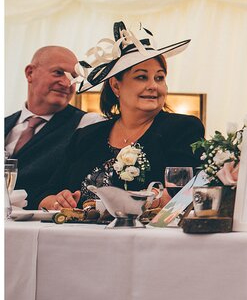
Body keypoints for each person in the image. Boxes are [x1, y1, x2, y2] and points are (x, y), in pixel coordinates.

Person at [34, 22, 204, 211]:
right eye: (142, 77)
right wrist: (59, 200)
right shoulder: (85, 136)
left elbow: (182, 193)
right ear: (116, 86)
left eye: (159, 77)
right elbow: (45, 193)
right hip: (79, 236)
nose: (153, 86)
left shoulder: (182, 129)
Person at [5, 46, 104, 202]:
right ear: (30, 73)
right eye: (58, 73)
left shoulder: (87, 125)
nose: (66, 83)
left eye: (73, 78)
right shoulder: (6, 124)